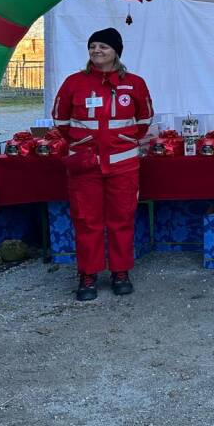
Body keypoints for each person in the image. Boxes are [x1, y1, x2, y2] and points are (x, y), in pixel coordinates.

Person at [52, 28, 153, 301]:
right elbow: (61, 122)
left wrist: (120, 141)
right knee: (87, 221)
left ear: (116, 52)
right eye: (93, 46)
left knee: (122, 220)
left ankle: (120, 272)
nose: (97, 51)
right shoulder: (74, 82)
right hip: (85, 167)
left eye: (103, 47)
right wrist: (85, 141)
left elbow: (144, 121)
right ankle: (88, 274)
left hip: (123, 166)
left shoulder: (135, 83)